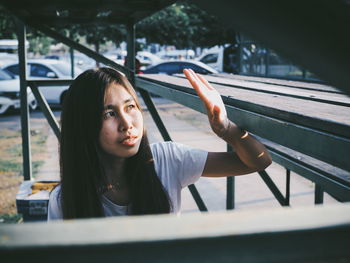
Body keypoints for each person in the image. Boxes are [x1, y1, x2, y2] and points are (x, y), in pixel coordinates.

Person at [48, 67, 272, 220]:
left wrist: (227, 129)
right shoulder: (65, 199)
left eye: (130, 107)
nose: (127, 124)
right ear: (84, 125)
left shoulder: (166, 159)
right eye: (108, 113)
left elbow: (258, 162)